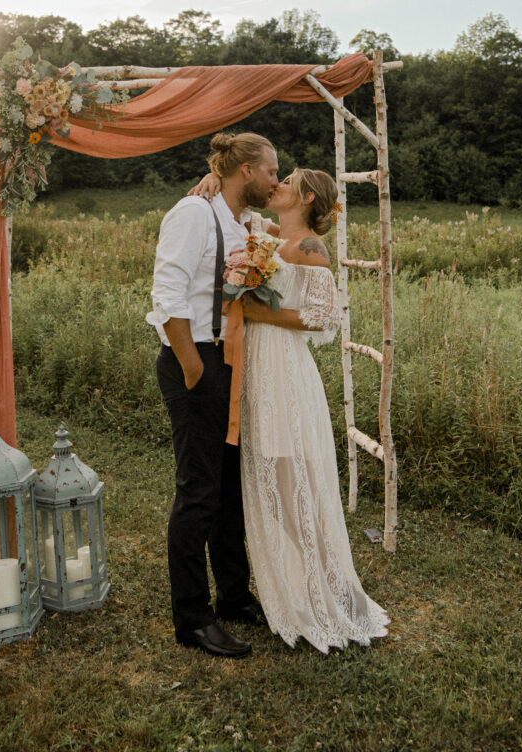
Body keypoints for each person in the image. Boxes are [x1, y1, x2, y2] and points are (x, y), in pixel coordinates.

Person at [191, 167, 390, 653]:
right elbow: (240, 209)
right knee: (274, 489)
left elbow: (326, 318)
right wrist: (211, 179)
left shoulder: (310, 249)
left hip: (284, 375)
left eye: (286, 181)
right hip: (255, 372)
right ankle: (315, 584)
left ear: (303, 197)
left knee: (289, 483)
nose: (275, 185)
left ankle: (335, 591)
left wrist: (259, 312)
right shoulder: (268, 234)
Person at [146, 131, 279, 658]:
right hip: (195, 361)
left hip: (229, 363)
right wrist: (194, 368)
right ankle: (192, 617)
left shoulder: (241, 220)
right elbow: (167, 293)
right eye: (271, 169)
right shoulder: (193, 215)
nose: (276, 177)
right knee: (198, 491)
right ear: (246, 170)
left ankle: (233, 596)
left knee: (229, 488)